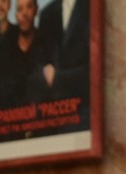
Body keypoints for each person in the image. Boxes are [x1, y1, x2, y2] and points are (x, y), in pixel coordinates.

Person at [35, 0, 90, 130]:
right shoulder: (47, 14)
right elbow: (39, 63)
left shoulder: (93, 7)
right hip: (50, 121)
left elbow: (97, 70)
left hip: (85, 119)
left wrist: (58, 79)